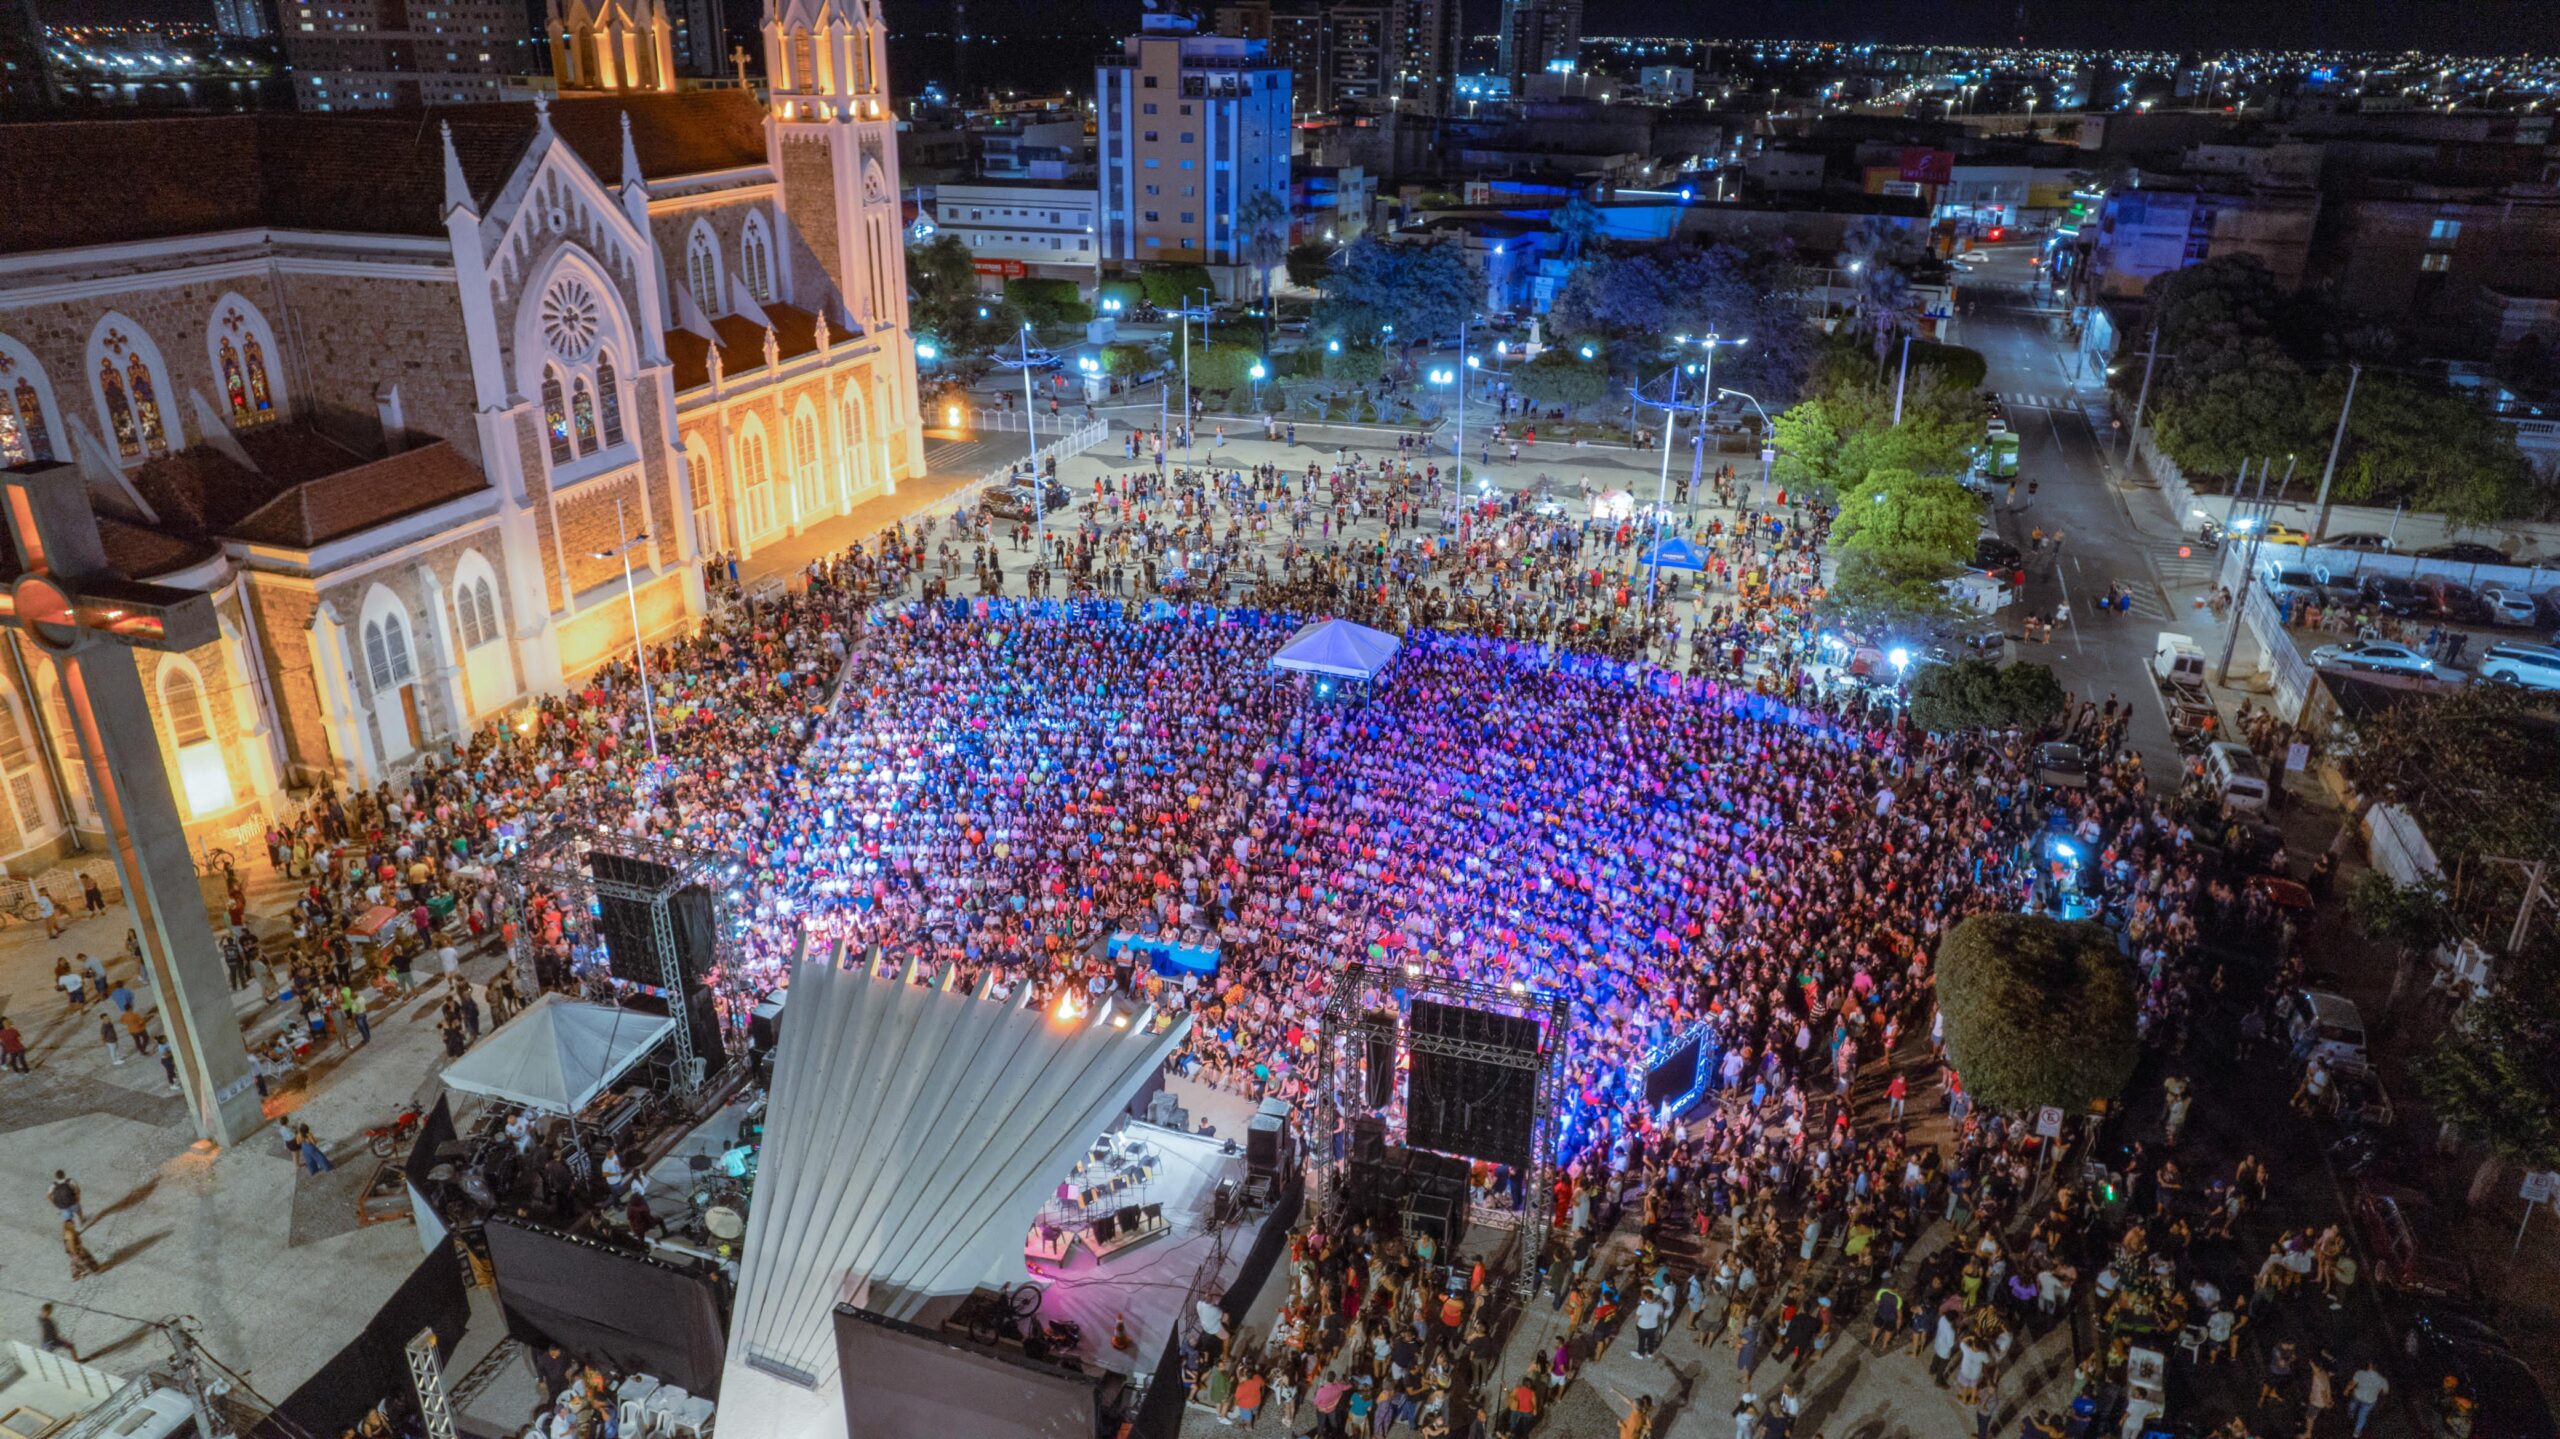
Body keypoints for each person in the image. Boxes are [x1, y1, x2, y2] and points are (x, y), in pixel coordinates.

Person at [2346, 1362, 2389, 1436]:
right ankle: (2356, 1432)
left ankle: (2350, 1413)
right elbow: (2385, 1392)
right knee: (2362, 1415)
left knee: (2352, 1404)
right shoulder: (2383, 1380)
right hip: (2370, 1401)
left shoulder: (2360, 1373)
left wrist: (2346, 1390)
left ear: (2370, 1365)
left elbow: (2352, 1384)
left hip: (2357, 1396)